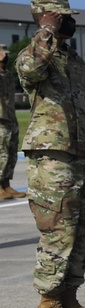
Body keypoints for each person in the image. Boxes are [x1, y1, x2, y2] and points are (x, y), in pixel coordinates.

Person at [15, 0, 85, 308]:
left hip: (78, 152)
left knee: (83, 228)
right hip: (50, 154)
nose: (68, 22)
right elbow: (30, 70)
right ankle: (48, 304)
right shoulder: (34, 54)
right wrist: (45, 33)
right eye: (61, 17)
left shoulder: (74, 60)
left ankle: (69, 297)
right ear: (45, 18)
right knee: (58, 228)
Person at [0, 44, 26, 200]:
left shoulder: (8, 74)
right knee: (1, 153)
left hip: (10, 118)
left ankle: (6, 184)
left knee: (10, 153)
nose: (5, 57)